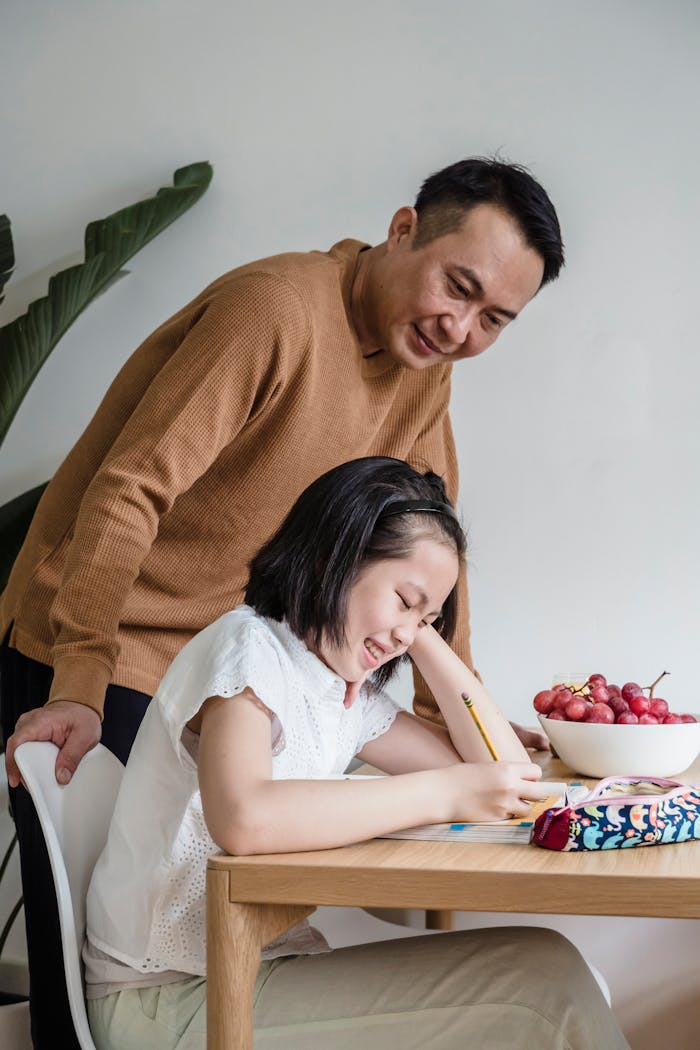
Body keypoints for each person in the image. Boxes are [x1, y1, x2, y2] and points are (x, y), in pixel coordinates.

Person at [1, 157, 563, 1049]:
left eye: (494, 319)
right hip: (120, 641)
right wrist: (78, 674)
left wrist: (456, 718)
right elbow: (129, 490)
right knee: (133, 943)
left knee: (232, 914)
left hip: (250, 652)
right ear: (403, 228)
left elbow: (434, 548)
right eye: (458, 288)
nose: (460, 328)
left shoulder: (424, 369)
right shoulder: (274, 311)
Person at [83, 457, 627, 1050]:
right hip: (169, 999)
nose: (404, 633)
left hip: (250, 967)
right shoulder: (249, 649)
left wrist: (422, 633)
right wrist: (445, 793)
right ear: (331, 560)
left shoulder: (339, 687)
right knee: (548, 983)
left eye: (426, 618)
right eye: (402, 600)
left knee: (557, 975)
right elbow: (243, 817)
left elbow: (502, 772)